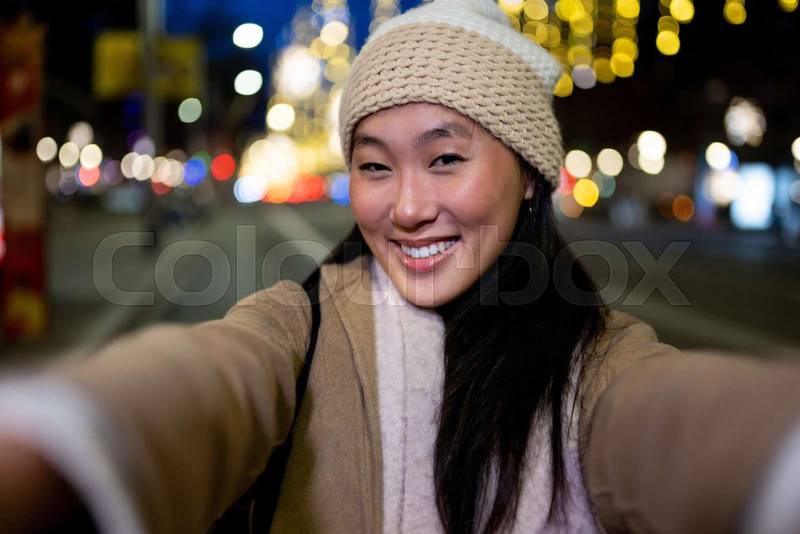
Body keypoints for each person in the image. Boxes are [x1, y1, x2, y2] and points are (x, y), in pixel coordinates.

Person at [2, 0, 800, 532]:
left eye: (446, 158)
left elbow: (673, 422)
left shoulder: (596, 360)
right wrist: (61, 442)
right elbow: (209, 382)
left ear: (529, 173)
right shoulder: (301, 323)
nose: (407, 206)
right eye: (375, 167)